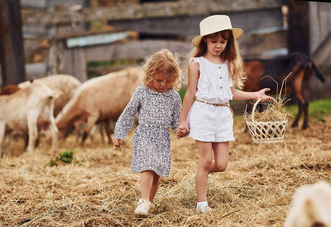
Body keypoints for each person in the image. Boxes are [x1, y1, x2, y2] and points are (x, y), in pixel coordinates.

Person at [176, 15, 271, 213]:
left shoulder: (229, 63)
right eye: (213, 41)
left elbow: (232, 93)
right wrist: (183, 120)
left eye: (223, 41)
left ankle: (199, 175)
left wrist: (255, 94)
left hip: (223, 116)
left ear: (229, 42)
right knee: (205, 161)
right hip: (203, 112)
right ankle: (201, 203)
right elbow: (190, 93)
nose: (218, 45)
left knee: (221, 164)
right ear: (205, 41)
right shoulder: (197, 63)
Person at [114, 49, 182, 217]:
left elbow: (177, 120)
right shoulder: (141, 92)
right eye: (159, 80)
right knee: (148, 165)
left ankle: (147, 204)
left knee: (156, 172)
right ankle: (144, 200)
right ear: (150, 75)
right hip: (144, 135)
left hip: (162, 138)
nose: (163, 85)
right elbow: (128, 113)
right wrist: (119, 134)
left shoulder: (174, 97)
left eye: (168, 81)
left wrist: (181, 130)